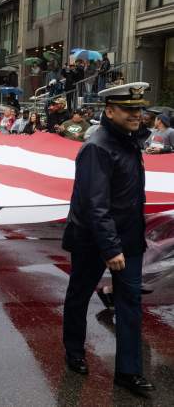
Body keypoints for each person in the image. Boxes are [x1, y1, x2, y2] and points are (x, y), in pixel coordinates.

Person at [62, 82, 155, 396]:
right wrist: (110, 247)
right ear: (109, 110)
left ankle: (128, 372)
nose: (136, 115)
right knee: (79, 295)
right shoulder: (97, 147)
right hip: (93, 239)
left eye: (139, 109)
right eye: (129, 110)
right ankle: (74, 351)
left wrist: (128, 242)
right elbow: (94, 204)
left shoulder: (130, 142)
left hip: (128, 240)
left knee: (130, 304)